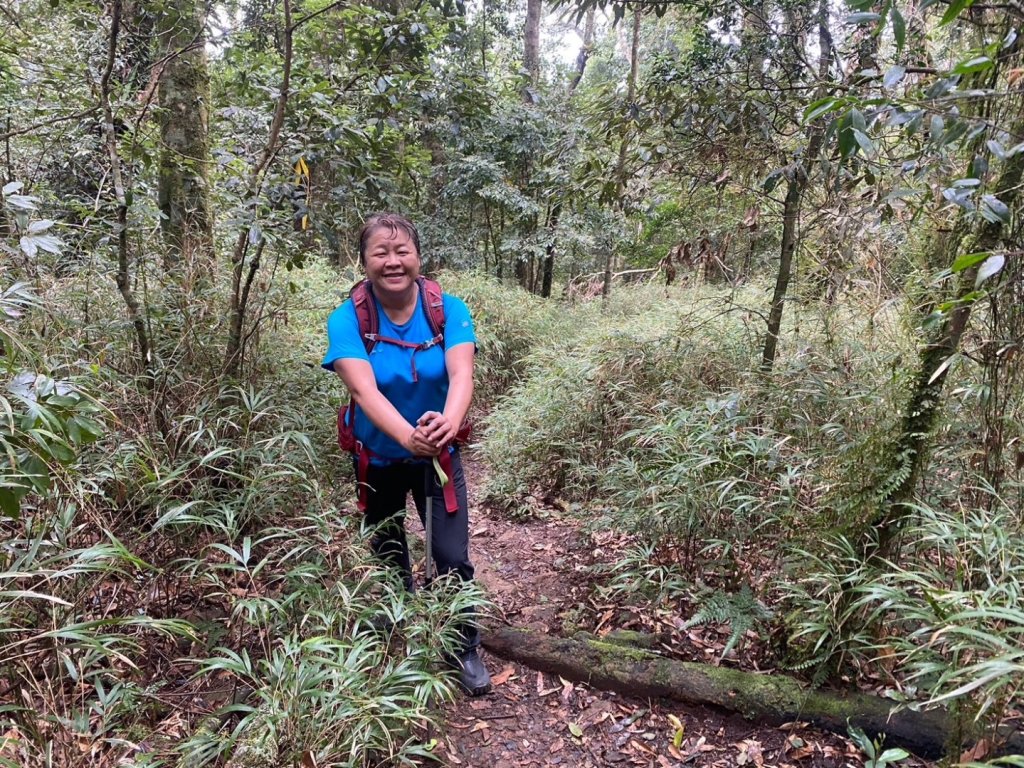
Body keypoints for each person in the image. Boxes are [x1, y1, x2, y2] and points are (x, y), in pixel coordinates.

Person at [322, 212, 491, 696]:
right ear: (364, 261)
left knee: (451, 556)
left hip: (437, 457)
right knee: (389, 553)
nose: (393, 262)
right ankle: (403, 639)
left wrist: (448, 425)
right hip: (377, 460)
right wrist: (406, 437)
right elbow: (363, 392)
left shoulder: (447, 308)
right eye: (381, 253)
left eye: (402, 252)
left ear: (418, 257)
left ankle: (462, 646)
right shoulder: (349, 319)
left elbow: (462, 376)